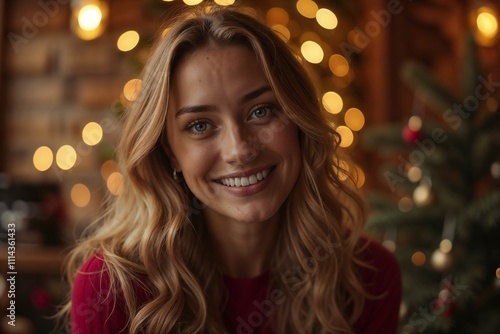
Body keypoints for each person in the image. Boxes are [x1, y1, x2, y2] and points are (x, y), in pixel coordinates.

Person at [61, 4, 401, 334]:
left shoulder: (367, 277)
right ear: (170, 152)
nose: (239, 150)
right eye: (199, 126)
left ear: (299, 121)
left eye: (261, 111)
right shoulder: (111, 290)